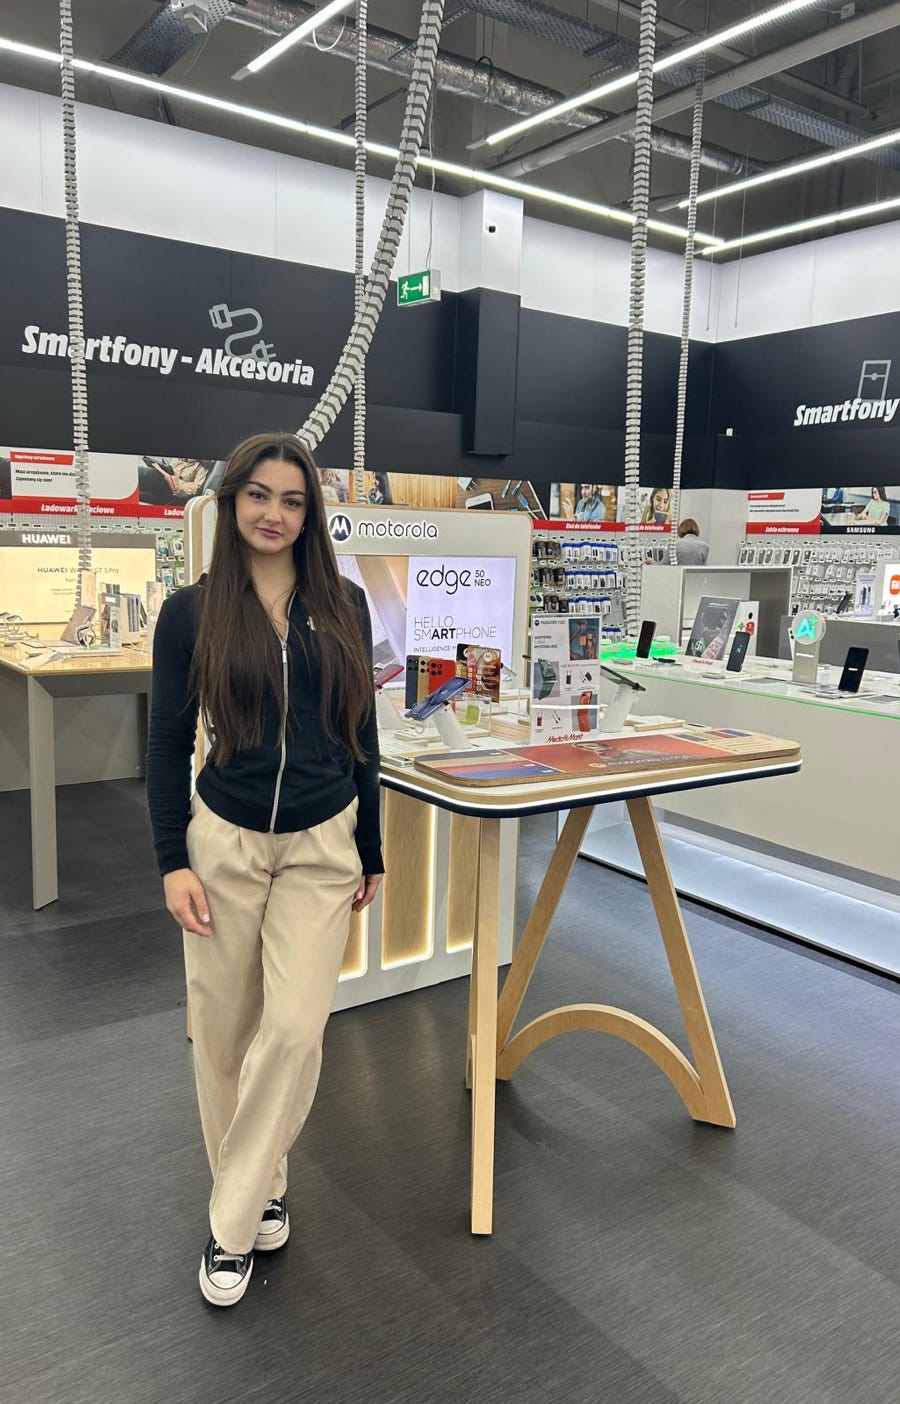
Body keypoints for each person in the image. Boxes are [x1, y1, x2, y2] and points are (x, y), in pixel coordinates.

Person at [146, 431, 383, 1308]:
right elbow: (169, 742)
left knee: (291, 1030)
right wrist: (173, 858)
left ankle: (229, 1223)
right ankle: (263, 1185)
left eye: (292, 499)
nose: (274, 514)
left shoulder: (347, 604)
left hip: (323, 843)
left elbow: (364, 732)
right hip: (226, 842)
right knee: (222, 1034)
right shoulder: (191, 612)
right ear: (230, 502)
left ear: (310, 512)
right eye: (259, 495)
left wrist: (373, 845)